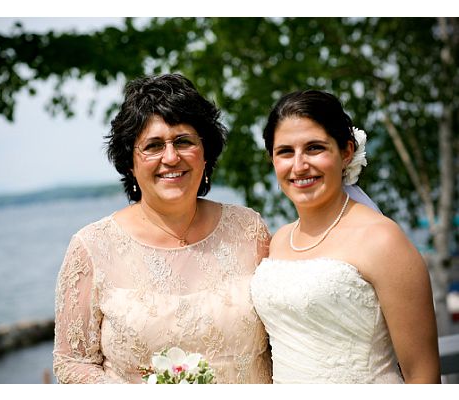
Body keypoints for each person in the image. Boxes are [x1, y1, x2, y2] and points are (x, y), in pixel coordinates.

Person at [53, 73, 272, 383]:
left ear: (205, 153)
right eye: (153, 146)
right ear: (130, 163)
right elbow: (72, 363)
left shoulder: (249, 229)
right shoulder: (92, 247)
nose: (171, 157)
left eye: (183, 141)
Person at [250, 90, 441, 383]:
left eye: (314, 148)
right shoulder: (278, 240)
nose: (299, 165)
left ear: (347, 152)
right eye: (285, 152)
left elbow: (422, 374)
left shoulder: (382, 239)